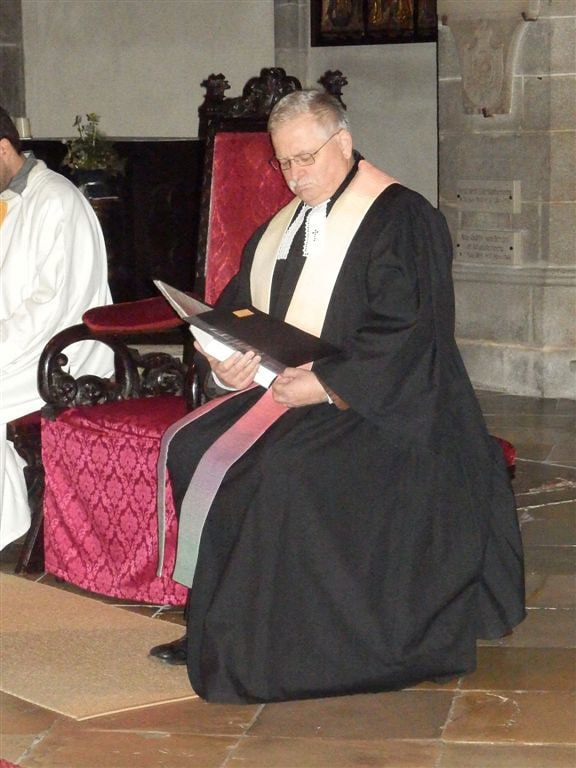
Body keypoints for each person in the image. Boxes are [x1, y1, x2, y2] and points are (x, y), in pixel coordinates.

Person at [150, 90, 525, 704]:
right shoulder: (280, 230)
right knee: (194, 446)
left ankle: (277, 642)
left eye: (306, 158)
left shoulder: (402, 218)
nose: (294, 176)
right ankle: (219, 624)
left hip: (390, 405)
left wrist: (327, 384)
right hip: (292, 389)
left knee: (278, 470)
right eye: (284, 162)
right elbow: (238, 314)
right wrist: (227, 365)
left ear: (344, 143)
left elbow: (414, 331)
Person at [0, 107, 113, 550]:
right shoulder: (8, 198)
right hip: (18, 346)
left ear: (3, 149)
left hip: (62, 354)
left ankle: (8, 528)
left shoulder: (56, 201)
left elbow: (51, 308)